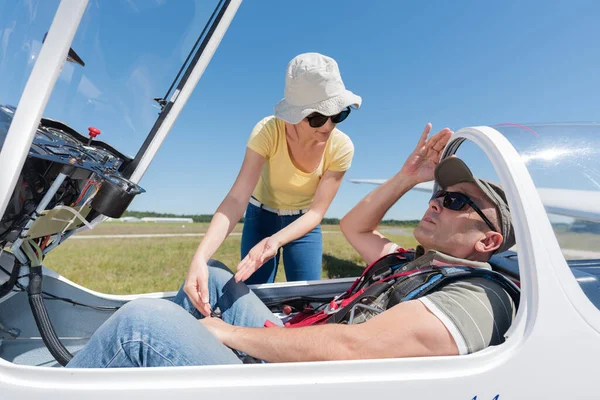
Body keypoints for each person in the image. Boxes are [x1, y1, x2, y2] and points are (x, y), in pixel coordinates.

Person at [66, 125, 517, 368]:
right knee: (218, 274)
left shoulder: (479, 296)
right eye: (437, 194)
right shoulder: (409, 263)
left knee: (142, 324)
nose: (437, 202)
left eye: (455, 201)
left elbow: (354, 349)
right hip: (298, 342)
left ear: (489, 241)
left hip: (300, 378)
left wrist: (226, 334)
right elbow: (356, 227)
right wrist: (407, 178)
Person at [185, 52, 361, 317]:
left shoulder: (342, 147)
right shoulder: (268, 131)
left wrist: (275, 241)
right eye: (316, 118)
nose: (328, 126)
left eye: (338, 114)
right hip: (260, 217)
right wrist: (199, 259)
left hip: (303, 225)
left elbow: (316, 212)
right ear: (294, 114)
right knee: (250, 301)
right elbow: (236, 199)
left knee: (311, 305)